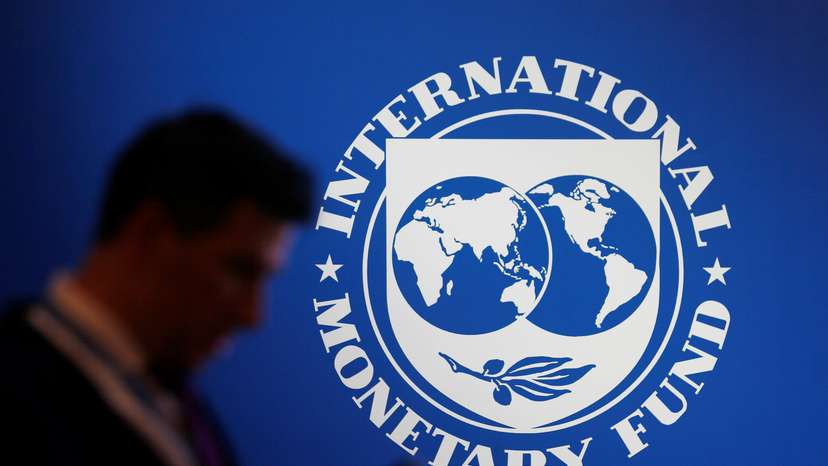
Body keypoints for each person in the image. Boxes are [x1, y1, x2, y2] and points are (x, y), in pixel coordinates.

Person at [0, 109, 312, 466]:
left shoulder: (179, 407)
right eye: (239, 271)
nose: (252, 316)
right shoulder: (16, 393)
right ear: (150, 232)